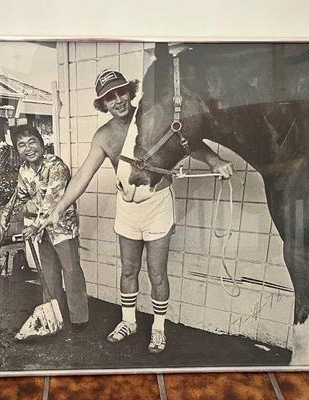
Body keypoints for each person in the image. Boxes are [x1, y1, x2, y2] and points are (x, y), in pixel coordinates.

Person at [38, 70, 234, 353]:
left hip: (157, 204)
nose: (117, 100)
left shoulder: (152, 117)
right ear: (102, 104)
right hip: (127, 209)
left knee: (157, 273)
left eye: (121, 92)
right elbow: (83, 175)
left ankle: (158, 328)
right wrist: (58, 209)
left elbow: (190, 143)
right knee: (128, 269)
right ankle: (128, 321)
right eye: (109, 97)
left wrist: (215, 161)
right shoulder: (104, 136)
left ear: (131, 91)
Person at [0, 124, 89, 331]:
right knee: (49, 274)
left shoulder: (56, 166)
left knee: (71, 271)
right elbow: (19, 197)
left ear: (41, 143)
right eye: (21, 145)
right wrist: (5, 216)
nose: (28, 148)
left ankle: (79, 319)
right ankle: (53, 316)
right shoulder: (24, 170)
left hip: (62, 228)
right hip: (42, 233)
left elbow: (52, 201)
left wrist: (34, 226)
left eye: (32, 141)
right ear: (17, 150)